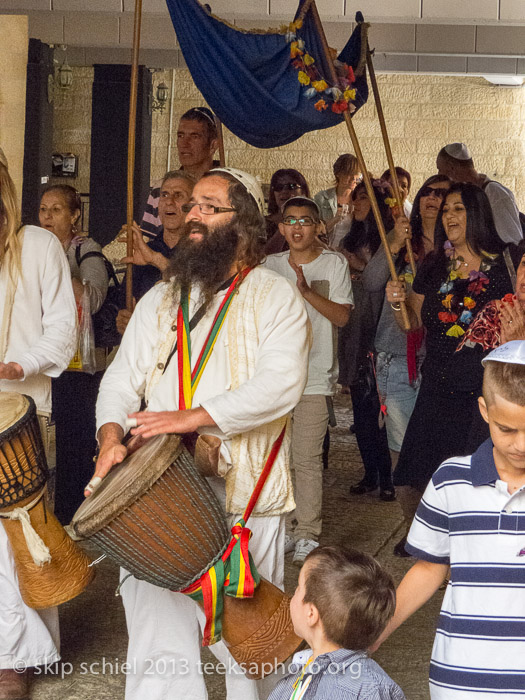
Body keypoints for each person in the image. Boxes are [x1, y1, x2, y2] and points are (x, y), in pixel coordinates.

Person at [87, 168, 310, 700]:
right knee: (157, 641)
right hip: (158, 498)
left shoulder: (275, 298)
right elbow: (121, 378)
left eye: (210, 207)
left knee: (250, 649)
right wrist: (111, 436)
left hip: (245, 499)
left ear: (245, 227)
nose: (193, 214)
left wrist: (187, 418)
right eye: (192, 205)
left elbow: (280, 386)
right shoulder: (162, 299)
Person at [373, 341, 525, 698]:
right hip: (461, 677)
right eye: (507, 429)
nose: (521, 444)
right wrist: (377, 632)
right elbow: (430, 568)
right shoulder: (450, 481)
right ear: (484, 411)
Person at [386, 183, 513, 555]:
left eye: (458, 208)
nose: (450, 217)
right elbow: (412, 324)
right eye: (445, 211)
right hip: (437, 385)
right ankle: (432, 548)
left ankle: (469, 554)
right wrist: (398, 303)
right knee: (410, 480)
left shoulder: (503, 263)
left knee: (476, 483)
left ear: (477, 214)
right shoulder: (435, 265)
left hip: (484, 392)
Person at [0, 150, 77, 699]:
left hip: (19, 414)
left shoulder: (39, 245)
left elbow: (63, 335)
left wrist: (17, 366)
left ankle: (14, 658)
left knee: (15, 541)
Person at [263, 197, 352, 565]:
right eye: (290, 221)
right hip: (274, 377)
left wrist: (306, 292)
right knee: (278, 458)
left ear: (319, 226)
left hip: (315, 377)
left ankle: (307, 533)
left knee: (307, 457)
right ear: (281, 228)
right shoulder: (269, 266)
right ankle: (286, 526)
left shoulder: (334, 264)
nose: (297, 228)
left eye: (305, 221)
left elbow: (342, 318)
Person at [362, 176, 451, 485]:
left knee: (437, 445)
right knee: (400, 447)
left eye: (443, 194)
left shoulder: (455, 250)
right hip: (396, 356)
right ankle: (409, 521)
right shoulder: (401, 244)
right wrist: (395, 241)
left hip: (441, 359)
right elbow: (371, 283)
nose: (434, 198)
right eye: (428, 191)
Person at [38, 184, 109, 524]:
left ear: (74, 215)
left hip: (78, 364)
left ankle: (74, 515)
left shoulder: (86, 251)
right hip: (45, 358)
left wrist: (57, 267)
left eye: (56, 210)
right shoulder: (34, 251)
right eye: (43, 210)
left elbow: (92, 298)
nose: (47, 216)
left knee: (75, 441)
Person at [268, 546, 405, 700]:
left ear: (311, 614)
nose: (293, 593)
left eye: (298, 588)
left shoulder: (369, 688)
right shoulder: (303, 668)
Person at [339, 181, 395, 500]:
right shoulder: (351, 234)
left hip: (378, 323)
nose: (356, 203)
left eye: (362, 198)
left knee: (381, 407)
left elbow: (378, 277)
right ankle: (369, 472)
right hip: (355, 327)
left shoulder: (387, 241)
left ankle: (388, 476)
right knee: (360, 405)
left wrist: (357, 264)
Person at [116, 169, 195, 336]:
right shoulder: (145, 250)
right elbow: (124, 303)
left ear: (193, 205)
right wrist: (124, 319)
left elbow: (194, 296)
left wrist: (155, 260)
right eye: (164, 195)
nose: (169, 202)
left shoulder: (204, 251)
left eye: (178, 195)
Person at [141, 107, 218, 238]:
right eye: (180, 136)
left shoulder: (227, 190)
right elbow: (152, 240)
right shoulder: (161, 189)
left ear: (212, 145)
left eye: (195, 136)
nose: (184, 144)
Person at [436, 142, 522, 245]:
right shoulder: (465, 193)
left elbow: (512, 241)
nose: (439, 174)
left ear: (452, 168)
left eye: (440, 169)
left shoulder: (495, 193)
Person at [314, 154, 362, 240]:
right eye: (349, 174)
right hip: (327, 249)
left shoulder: (359, 200)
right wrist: (335, 219)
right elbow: (314, 232)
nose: (353, 179)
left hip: (350, 251)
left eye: (356, 174)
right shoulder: (322, 198)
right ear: (338, 174)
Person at [264, 169, 310, 254]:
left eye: (291, 186)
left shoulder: (313, 222)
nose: (284, 191)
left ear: (303, 191)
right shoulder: (262, 224)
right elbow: (262, 257)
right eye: (279, 187)